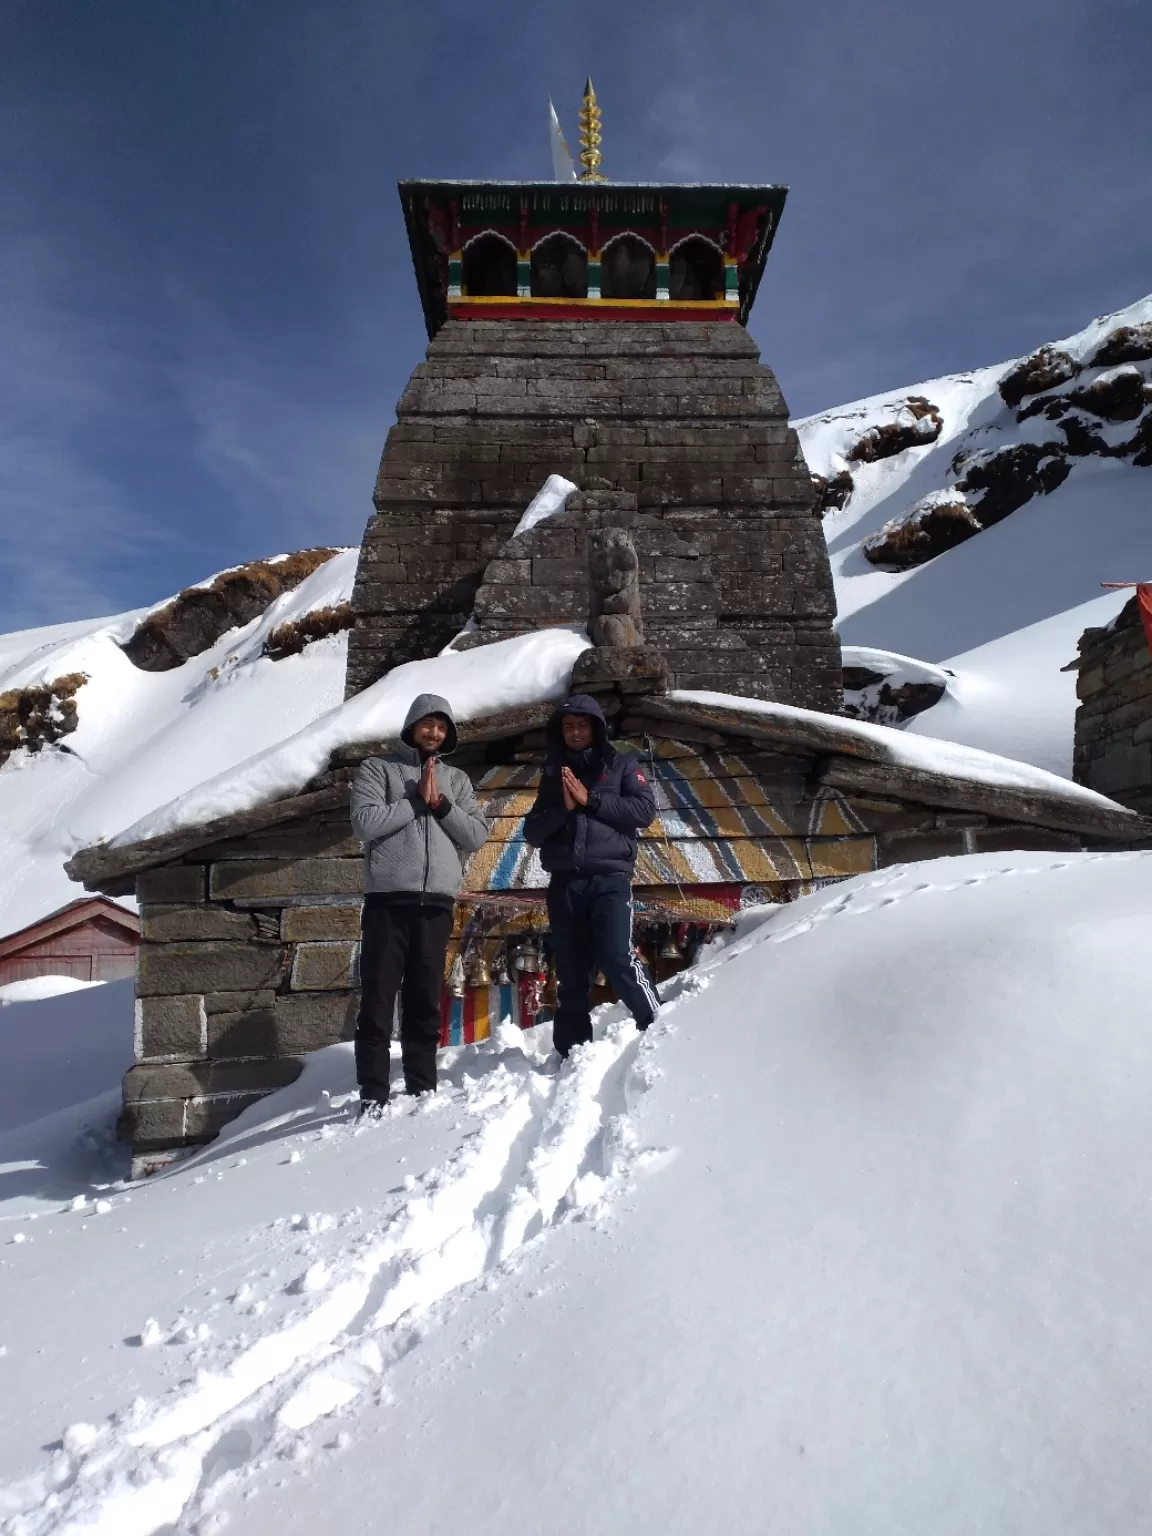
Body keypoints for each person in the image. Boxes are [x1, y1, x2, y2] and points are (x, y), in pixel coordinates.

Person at [349, 692, 489, 1110]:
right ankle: (373, 1093)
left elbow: (476, 835)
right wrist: (414, 800)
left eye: (442, 726)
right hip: (388, 902)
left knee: (425, 1000)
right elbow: (365, 823)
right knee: (377, 1000)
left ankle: (421, 1087)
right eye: (428, 723)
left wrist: (440, 803)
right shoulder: (379, 769)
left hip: (436, 905)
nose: (434, 731)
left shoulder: (457, 780)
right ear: (411, 726)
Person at [523, 693, 659, 1057]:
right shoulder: (553, 775)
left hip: (610, 879)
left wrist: (592, 800)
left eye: (582, 724)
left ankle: (657, 1027)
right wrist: (563, 809)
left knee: (617, 956)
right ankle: (572, 1053)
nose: (575, 732)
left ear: (596, 728)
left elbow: (645, 811)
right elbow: (533, 833)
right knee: (571, 970)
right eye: (568, 726)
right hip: (565, 882)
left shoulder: (623, 765)